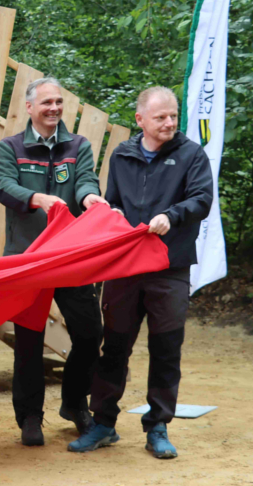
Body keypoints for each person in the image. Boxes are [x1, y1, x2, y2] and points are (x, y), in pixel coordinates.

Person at [68, 86, 213, 459]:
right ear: (140, 120)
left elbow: (201, 199)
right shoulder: (122, 155)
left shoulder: (190, 154)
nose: (169, 123)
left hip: (170, 267)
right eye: (160, 117)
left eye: (173, 116)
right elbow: (113, 200)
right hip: (125, 268)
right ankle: (103, 424)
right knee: (114, 347)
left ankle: (158, 426)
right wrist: (111, 212)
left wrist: (171, 215)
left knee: (166, 349)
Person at [0, 77, 107, 446]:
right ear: (29, 108)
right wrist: (37, 198)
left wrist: (90, 198)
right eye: (46, 103)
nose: (54, 108)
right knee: (29, 341)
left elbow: (86, 180)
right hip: (29, 261)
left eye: (59, 102)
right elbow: (2, 185)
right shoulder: (10, 146)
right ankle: (29, 418)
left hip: (71, 257)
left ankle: (75, 404)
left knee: (89, 335)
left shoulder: (78, 145)